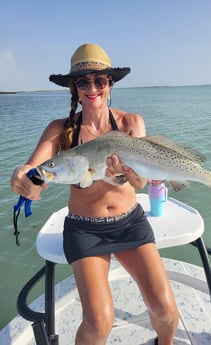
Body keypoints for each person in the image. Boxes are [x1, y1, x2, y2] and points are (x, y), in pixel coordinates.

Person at [11, 43, 179, 345]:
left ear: (109, 83)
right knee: (100, 322)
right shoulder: (60, 129)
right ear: (74, 88)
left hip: (131, 223)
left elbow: (140, 182)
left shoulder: (131, 123)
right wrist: (21, 178)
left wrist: (127, 173)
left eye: (99, 80)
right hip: (85, 230)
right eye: (83, 82)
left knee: (166, 310)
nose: (92, 88)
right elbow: (32, 169)